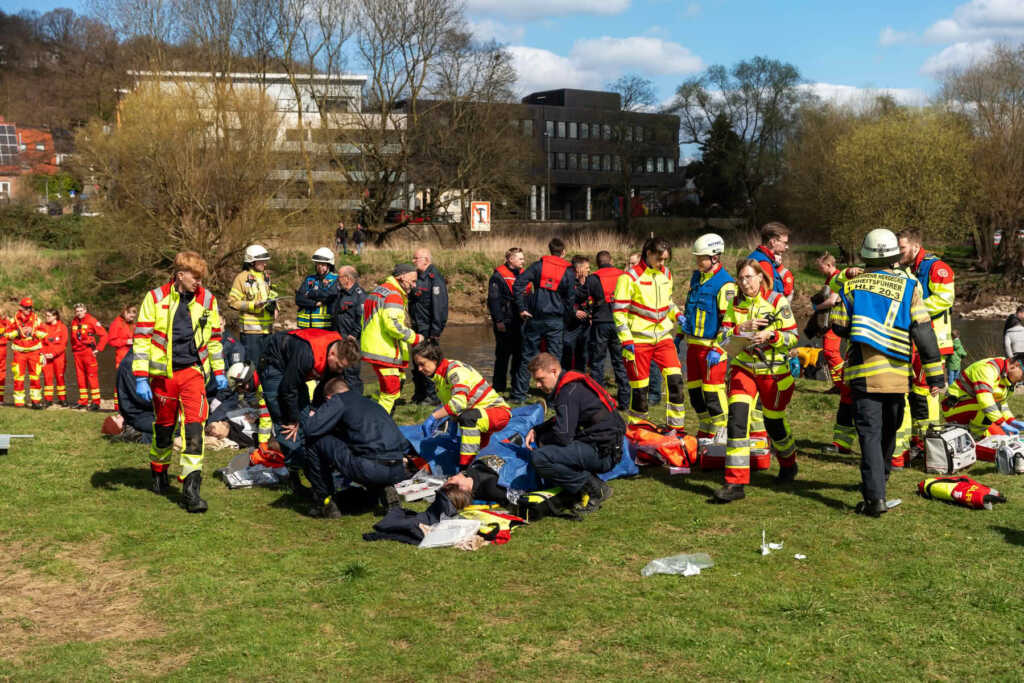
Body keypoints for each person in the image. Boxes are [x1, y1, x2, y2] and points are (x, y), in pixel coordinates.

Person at [830, 229, 944, 517]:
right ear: (894, 254)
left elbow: (838, 325)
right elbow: (924, 332)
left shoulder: (853, 286)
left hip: (864, 376)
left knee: (869, 435)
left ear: (866, 254)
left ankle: (874, 498)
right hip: (897, 377)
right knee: (888, 433)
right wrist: (935, 376)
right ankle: (881, 483)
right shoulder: (910, 285)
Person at [132, 251, 227, 513]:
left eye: (200, 277)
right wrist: (141, 377)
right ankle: (158, 472)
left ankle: (191, 491)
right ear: (179, 275)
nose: (198, 282)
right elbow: (141, 339)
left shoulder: (208, 300)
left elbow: (215, 340)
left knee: (194, 431)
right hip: (163, 376)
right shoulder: (155, 298)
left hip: (193, 373)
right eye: (194, 277)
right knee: (164, 429)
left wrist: (219, 371)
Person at [711, 259, 799, 503]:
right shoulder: (735, 303)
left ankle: (789, 462)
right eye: (741, 278)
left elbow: (793, 338)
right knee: (737, 419)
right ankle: (735, 483)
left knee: (774, 424)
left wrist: (772, 335)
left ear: (761, 277)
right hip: (744, 368)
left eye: (749, 277)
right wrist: (742, 328)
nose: (744, 282)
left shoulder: (777, 302)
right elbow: (723, 338)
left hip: (774, 371)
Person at [525, 352, 626, 516]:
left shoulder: (567, 393)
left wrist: (543, 443)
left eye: (540, 379)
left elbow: (563, 436)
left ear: (554, 371)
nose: (537, 385)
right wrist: (538, 430)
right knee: (546, 441)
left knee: (540, 457)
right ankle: (582, 484)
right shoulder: (572, 385)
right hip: (608, 447)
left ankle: (595, 489)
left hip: (603, 453)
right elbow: (566, 420)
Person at [258, 329, 358, 492]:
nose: (340, 371)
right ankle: (294, 474)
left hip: (292, 366)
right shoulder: (307, 355)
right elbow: (287, 389)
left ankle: (311, 465)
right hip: (273, 364)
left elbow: (325, 383)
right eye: (339, 366)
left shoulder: (338, 352)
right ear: (332, 354)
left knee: (308, 421)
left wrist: (314, 409)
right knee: (288, 427)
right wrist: (293, 420)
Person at [301, 376, 410, 518]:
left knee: (313, 442)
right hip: (397, 469)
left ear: (329, 398)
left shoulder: (338, 400)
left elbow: (310, 429)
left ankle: (325, 502)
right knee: (367, 451)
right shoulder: (371, 403)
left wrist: (314, 416)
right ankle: (385, 487)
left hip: (370, 468)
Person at [612, 236, 686, 428]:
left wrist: (677, 314)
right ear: (649, 254)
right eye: (659, 259)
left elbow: (667, 303)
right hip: (638, 341)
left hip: (663, 338)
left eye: (665, 260)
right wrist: (626, 341)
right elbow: (619, 313)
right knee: (640, 391)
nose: (662, 264)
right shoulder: (628, 278)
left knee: (676, 381)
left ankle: (675, 429)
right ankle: (638, 429)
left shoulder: (667, 275)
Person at [411, 341, 511, 467]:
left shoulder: (454, 371)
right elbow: (453, 406)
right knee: (478, 450)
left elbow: (458, 403)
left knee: (468, 420)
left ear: (434, 359)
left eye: (422, 364)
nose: (419, 369)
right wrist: (452, 420)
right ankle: (493, 449)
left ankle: (465, 468)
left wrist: (434, 416)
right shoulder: (439, 379)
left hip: (497, 412)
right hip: (479, 415)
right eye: (417, 365)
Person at [897, 228, 955, 445]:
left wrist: (911, 309)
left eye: (902, 248)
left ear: (915, 245)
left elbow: (945, 299)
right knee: (915, 389)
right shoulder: (912, 267)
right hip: (916, 337)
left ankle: (931, 438)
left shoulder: (936, 267)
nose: (899, 252)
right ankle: (919, 438)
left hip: (934, 340)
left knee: (929, 389)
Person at [681, 233, 736, 440]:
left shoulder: (726, 284)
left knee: (713, 394)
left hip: (712, 349)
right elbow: (689, 309)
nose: (697, 261)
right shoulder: (697, 278)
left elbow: (729, 323)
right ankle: (706, 428)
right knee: (695, 394)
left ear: (714, 257)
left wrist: (719, 349)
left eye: (701, 257)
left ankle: (723, 431)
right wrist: (680, 333)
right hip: (693, 346)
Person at [512, 238, 576, 403]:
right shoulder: (568, 271)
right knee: (555, 359)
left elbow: (518, 284)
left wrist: (521, 308)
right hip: (555, 319)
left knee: (527, 356)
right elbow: (570, 299)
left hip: (535, 318)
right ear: (563, 252)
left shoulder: (537, 266)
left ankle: (519, 395)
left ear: (549, 250)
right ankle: (554, 397)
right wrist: (566, 320)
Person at [361, 263, 424, 413]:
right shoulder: (394, 295)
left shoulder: (380, 290)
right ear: (402, 276)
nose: (414, 286)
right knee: (390, 392)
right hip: (383, 350)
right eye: (413, 281)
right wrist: (415, 338)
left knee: (398, 382)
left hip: (376, 347)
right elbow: (393, 326)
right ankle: (380, 425)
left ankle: (382, 421)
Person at [585, 250, 629, 407]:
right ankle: (624, 399)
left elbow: (585, 298)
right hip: (619, 323)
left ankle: (598, 398)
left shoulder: (593, 277)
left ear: (598, 263)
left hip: (600, 323)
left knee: (597, 362)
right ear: (611, 260)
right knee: (620, 361)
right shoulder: (623, 275)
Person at [942, 355, 1024, 439]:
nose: (1022, 380)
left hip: (975, 409)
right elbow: (985, 400)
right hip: (952, 406)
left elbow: (1002, 403)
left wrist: (1011, 421)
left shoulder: (1008, 379)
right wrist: (1002, 423)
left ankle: (976, 435)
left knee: (1003, 437)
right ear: (1016, 365)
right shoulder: (987, 369)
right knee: (989, 410)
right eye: (1023, 376)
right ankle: (973, 436)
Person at [408, 248, 448, 404]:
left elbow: (440, 306)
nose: (413, 261)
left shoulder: (434, 278)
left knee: (428, 361)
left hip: (428, 328)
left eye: (415, 258)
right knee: (416, 360)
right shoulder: (417, 277)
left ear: (426, 259)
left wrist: (436, 330)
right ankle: (419, 393)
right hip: (416, 326)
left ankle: (432, 395)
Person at [228, 244, 276, 369]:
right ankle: (251, 389)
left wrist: (276, 308)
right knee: (252, 366)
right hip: (251, 333)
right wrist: (252, 305)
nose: (265, 264)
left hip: (268, 330)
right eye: (262, 261)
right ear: (251, 261)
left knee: (267, 366)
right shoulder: (242, 278)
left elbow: (271, 295)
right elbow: (232, 302)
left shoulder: (266, 277)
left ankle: (264, 389)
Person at [487, 247, 527, 395]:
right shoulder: (498, 277)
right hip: (505, 321)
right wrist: (499, 321)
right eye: (520, 259)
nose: (523, 261)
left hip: (520, 321)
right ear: (511, 260)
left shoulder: (523, 275)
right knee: (503, 356)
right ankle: (499, 386)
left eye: (523, 258)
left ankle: (517, 386)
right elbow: (494, 300)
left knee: (519, 356)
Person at [7, 298, 49, 409]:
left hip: (34, 352)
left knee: (35, 378)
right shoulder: (14, 320)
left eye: (30, 307)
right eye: (26, 307)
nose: (28, 310)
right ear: (21, 307)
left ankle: (36, 402)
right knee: (19, 378)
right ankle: (19, 402)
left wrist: (33, 332)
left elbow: (44, 333)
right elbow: (7, 334)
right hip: (19, 352)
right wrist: (18, 332)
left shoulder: (36, 320)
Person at [332, 265, 366, 396]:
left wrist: (354, 335)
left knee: (351, 372)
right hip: (339, 338)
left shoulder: (360, 295)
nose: (337, 280)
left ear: (347, 278)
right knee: (340, 372)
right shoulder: (341, 293)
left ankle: (356, 399)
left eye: (338, 277)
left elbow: (362, 319)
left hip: (352, 340)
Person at [69, 303, 108, 410]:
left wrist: (98, 349)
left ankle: (96, 402)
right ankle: (83, 401)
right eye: (77, 311)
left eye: (81, 310)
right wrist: (73, 350)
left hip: (88, 352)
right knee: (80, 377)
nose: (79, 313)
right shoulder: (74, 321)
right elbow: (73, 338)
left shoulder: (92, 320)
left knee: (92, 377)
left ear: (85, 310)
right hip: (77, 353)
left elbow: (104, 335)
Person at [295, 247, 340, 329]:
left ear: (329, 265)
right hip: (305, 327)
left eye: (323, 265)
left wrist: (309, 294)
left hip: (324, 326)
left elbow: (329, 295)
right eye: (318, 264)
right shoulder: (309, 279)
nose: (320, 267)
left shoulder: (335, 279)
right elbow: (298, 299)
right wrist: (315, 303)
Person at [748, 222, 794, 298]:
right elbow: (766, 297)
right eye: (784, 243)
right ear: (773, 242)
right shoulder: (764, 263)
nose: (787, 247)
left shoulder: (757, 256)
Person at [116, 351, 155, 441]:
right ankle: (136, 434)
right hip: (139, 415)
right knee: (172, 428)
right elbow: (142, 399)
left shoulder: (144, 359)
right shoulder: (131, 364)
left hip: (150, 412)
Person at [562, 254, 591, 371]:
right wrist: (574, 312)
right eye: (587, 267)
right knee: (567, 354)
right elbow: (560, 301)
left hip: (586, 324)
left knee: (583, 355)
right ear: (579, 269)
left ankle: (581, 380)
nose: (589, 270)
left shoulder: (590, 280)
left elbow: (595, 298)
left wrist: (591, 313)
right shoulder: (567, 281)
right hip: (570, 325)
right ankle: (565, 380)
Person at [108, 304, 137, 411]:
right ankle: (118, 406)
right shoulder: (116, 324)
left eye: (134, 317)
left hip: (132, 356)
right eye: (130, 316)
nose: (132, 318)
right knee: (121, 382)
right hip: (121, 356)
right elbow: (111, 341)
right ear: (125, 312)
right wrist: (126, 341)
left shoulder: (132, 324)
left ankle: (130, 404)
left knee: (132, 381)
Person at [40, 309, 69, 407]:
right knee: (48, 378)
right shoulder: (43, 327)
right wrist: (43, 354)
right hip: (46, 357)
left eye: (49, 316)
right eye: (46, 316)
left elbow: (63, 344)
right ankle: (48, 400)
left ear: (55, 316)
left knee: (60, 377)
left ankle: (63, 399)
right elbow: (40, 342)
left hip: (59, 357)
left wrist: (54, 353)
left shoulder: (62, 327)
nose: (47, 318)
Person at [0, 306, 9, 405]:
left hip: (2, 348)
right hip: (2, 348)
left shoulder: (5, 322)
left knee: (2, 374)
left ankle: (1, 399)